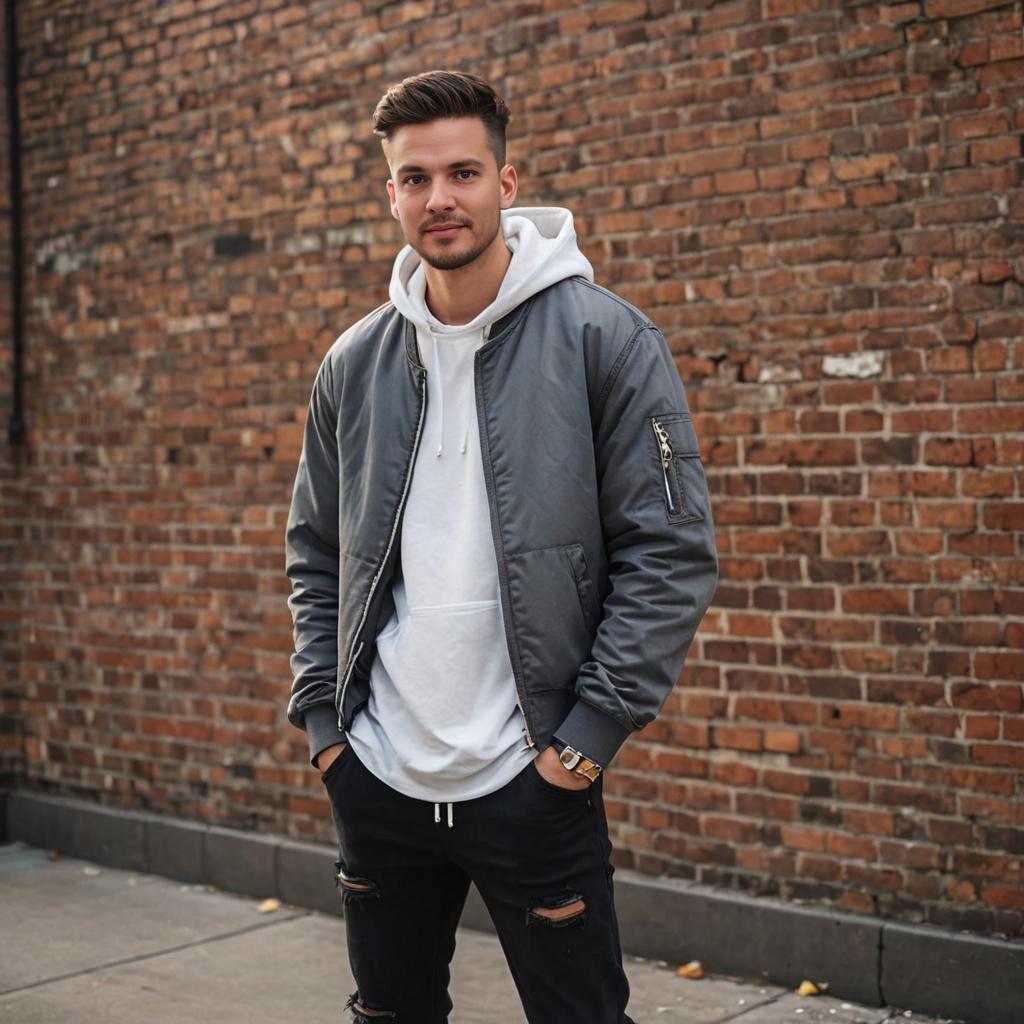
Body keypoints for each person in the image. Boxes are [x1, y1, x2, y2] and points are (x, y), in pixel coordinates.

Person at [285, 69, 718, 1024]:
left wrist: (583, 748)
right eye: (414, 178)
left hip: (532, 780)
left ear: (507, 182)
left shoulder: (607, 340)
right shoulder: (353, 364)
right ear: (390, 191)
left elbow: (670, 552)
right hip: (380, 779)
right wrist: (327, 730)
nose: (439, 198)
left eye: (463, 172)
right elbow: (315, 551)